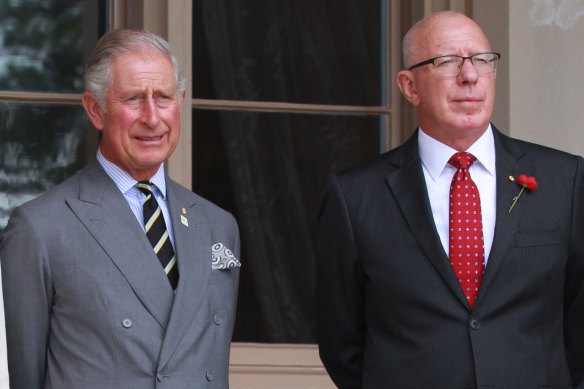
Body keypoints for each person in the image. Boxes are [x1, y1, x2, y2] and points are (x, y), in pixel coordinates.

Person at [315, 11, 584, 388]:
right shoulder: (355, 196)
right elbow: (341, 340)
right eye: (447, 62)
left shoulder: (565, 180)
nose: (469, 75)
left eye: (481, 61)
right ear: (410, 87)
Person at [0, 29, 240, 389]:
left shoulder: (218, 225)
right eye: (133, 99)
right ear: (95, 109)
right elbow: (22, 376)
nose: (152, 117)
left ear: (182, 101)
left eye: (163, 97)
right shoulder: (40, 228)